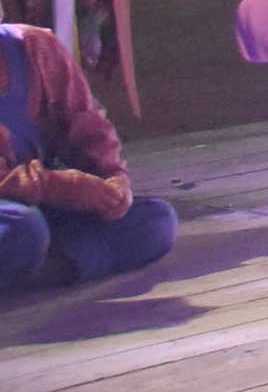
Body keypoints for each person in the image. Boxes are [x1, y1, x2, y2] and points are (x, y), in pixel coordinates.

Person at [0, 20, 174, 292]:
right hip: (14, 212)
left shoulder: (35, 45)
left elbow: (88, 125)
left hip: (44, 207)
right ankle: (34, 263)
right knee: (22, 229)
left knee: (155, 220)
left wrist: (112, 179)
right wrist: (61, 187)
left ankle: (44, 270)